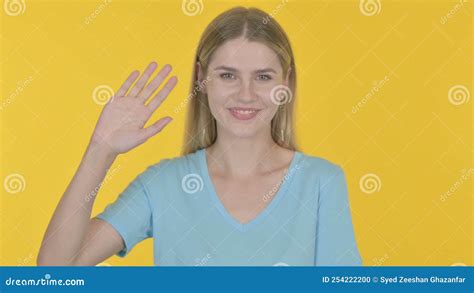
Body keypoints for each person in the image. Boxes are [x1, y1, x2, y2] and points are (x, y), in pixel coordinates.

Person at [37, 6, 362, 266]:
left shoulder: (321, 182)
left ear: (285, 83)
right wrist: (101, 150)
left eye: (263, 76)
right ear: (202, 78)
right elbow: (54, 270)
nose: (246, 94)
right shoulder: (163, 184)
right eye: (228, 75)